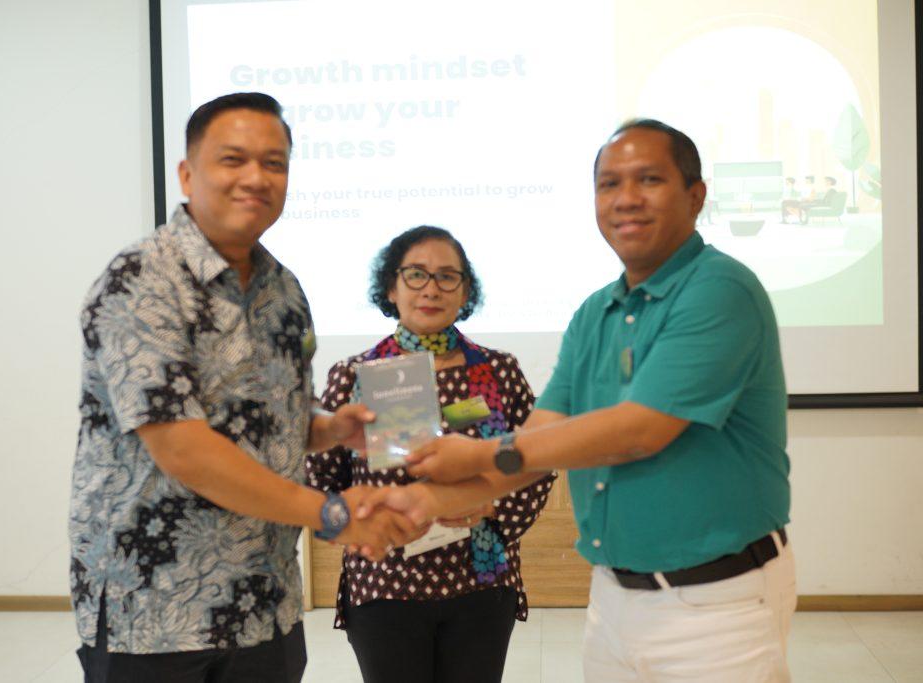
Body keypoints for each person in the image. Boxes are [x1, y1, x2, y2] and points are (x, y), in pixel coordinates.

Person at [361, 119, 797, 682]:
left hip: (716, 602)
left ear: (696, 196)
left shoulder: (719, 290)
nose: (626, 198)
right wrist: (427, 499)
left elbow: (638, 431)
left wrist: (478, 457)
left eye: (648, 179)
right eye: (609, 183)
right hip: (613, 598)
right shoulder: (596, 313)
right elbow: (538, 437)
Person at [69, 92, 421, 683]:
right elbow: (183, 448)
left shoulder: (284, 289)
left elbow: (271, 419)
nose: (256, 178)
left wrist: (330, 428)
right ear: (187, 174)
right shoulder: (142, 278)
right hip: (154, 611)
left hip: (264, 604)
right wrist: (332, 513)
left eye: (274, 163)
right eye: (233, 159)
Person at [306, 226, 555, 683]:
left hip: (481, 579)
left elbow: (537, 461)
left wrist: (492, 506)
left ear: (465, 291)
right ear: (391, 287)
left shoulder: (498, 371)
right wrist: (358, 523)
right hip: (384, 581)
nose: (431, 289)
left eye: (447, 276)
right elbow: (321, 478)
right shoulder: (355, 374)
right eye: (416, 274)